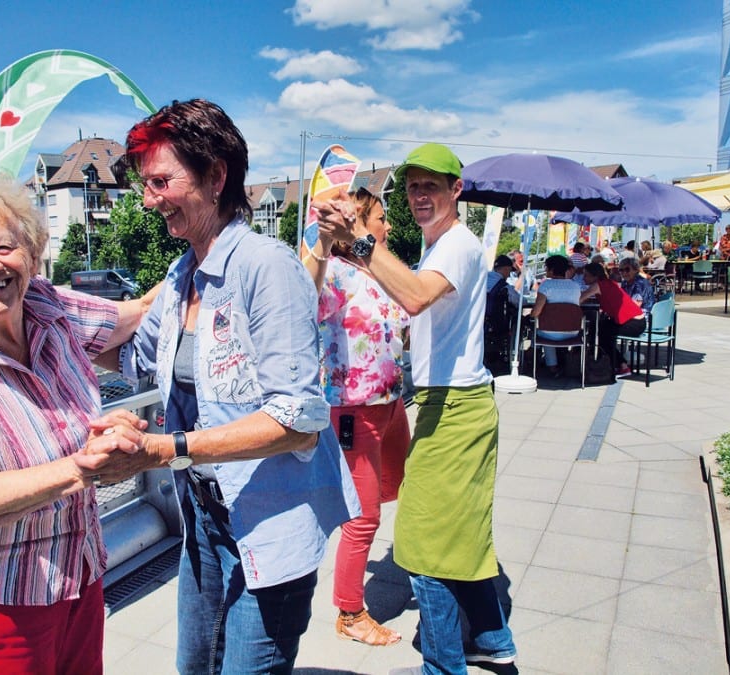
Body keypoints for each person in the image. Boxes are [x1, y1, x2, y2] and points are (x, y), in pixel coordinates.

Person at [112, 99, 360, 674]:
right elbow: (133, 357)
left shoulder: (266, 267)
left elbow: (296, 418)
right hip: (203, 516)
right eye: (145, 185)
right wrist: (30, 322)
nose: (149, 201)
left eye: (161, 182)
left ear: (216, 176)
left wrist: (166, 449)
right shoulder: (182, 274)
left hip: (267, 528)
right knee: (195, 666)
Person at [0, 167, 155, 674]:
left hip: (76, 573)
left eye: (4, 246)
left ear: (34, 255)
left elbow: (135, 316)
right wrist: (83, 468)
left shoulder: (47, 304)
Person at [316, 143, 517, 673]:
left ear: (456, 191)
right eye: (412, 187)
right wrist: (327, 241)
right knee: (454, 529)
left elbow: (414, 299)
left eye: (431, 185)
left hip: (446, 404)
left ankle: (442, 664)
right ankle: (491, 638)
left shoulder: (452, 246)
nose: (418, 196)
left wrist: (358, 241)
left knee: (423, 541)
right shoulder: (435, 247)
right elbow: (318, 292)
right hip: (401, 405)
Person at [302, 187, 410, 646]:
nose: (388, 227)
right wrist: (323, 241)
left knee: (398, 488)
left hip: (391, 403)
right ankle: (349, 612)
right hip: (353, 409)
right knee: (363, 517)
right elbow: (305, 293)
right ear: (359, 224)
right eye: (381, 219)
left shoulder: (377, 270)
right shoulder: (337, 273)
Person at [580, 262, 647, 378]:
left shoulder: (597, 286)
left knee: (601, 334)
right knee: (601, 328)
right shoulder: (609, 283)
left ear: (595, 276)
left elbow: (579, 299)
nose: (583, 278)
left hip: (633, 323)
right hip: (638, 321)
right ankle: (613, 362)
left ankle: (621, 365)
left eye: (586, 275)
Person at [530, 255, 581, 377]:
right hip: (573, 331)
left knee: (543, 328)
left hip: (550, 331)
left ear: (552, 270)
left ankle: (551, 366)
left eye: (546, 268)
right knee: (551, 325)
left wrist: (531, 315)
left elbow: (537, 311)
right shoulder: (575, 286)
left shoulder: (546, 285)